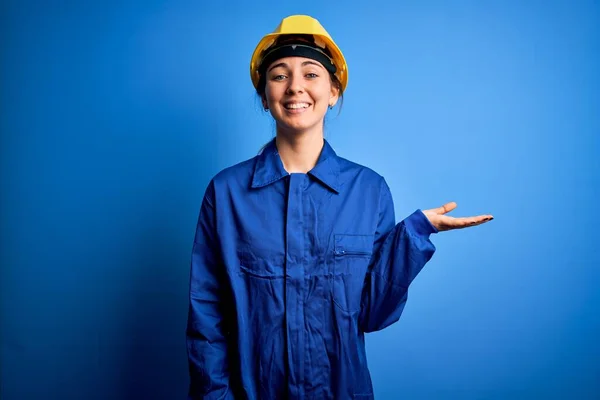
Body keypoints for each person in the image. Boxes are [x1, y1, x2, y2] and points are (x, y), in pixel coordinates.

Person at [186, 15, 493, 400]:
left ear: (333, 91)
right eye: (279, 75)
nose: (295, 86)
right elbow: (207, 317)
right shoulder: (226, 192)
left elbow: (372, 314)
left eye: (311, 74)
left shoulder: (369, 191)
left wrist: (414, 234)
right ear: (264, 96)